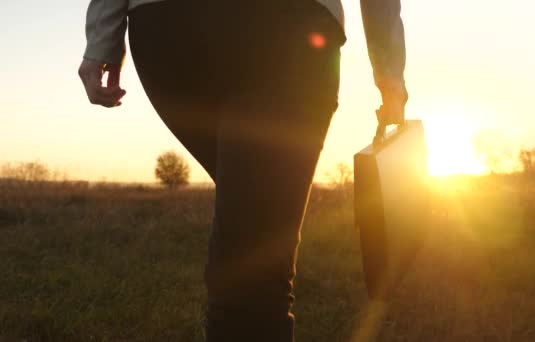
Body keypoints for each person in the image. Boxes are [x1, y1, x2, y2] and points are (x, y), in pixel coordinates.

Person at [78, 0, 407, 340]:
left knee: (250, 234)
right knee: (254, 260)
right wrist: (390, 73)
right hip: (283, 26)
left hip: (169, 33)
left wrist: (102, 37)